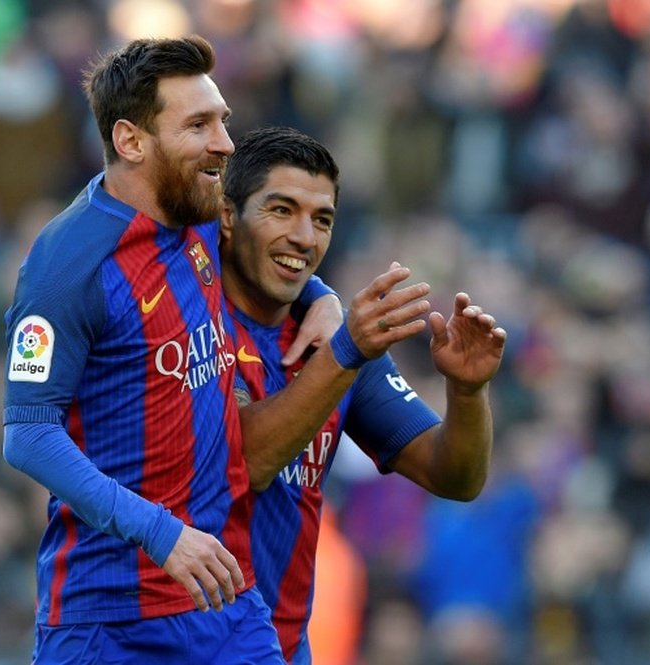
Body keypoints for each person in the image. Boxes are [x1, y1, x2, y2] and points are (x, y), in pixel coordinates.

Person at [2, 36, 429, 663]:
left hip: (226, 601)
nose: (225, 143)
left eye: (222, 120)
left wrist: (321, 296)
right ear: (131, 141)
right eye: (199, 124)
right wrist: (161, 533)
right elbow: (28, 435)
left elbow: (278, 246)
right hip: (110, 613)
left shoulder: (198, 214)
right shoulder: (67, 265)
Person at [218, 126, 507, 663]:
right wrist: (346, 350)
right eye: (281, 210)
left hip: (276, 650)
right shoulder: (190, 324)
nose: (305, 236)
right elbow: (248, 463)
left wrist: (467, 392)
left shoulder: (340, 341)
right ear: (228, 216)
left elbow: (456, 476)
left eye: (322, 219)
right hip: (171, 643)